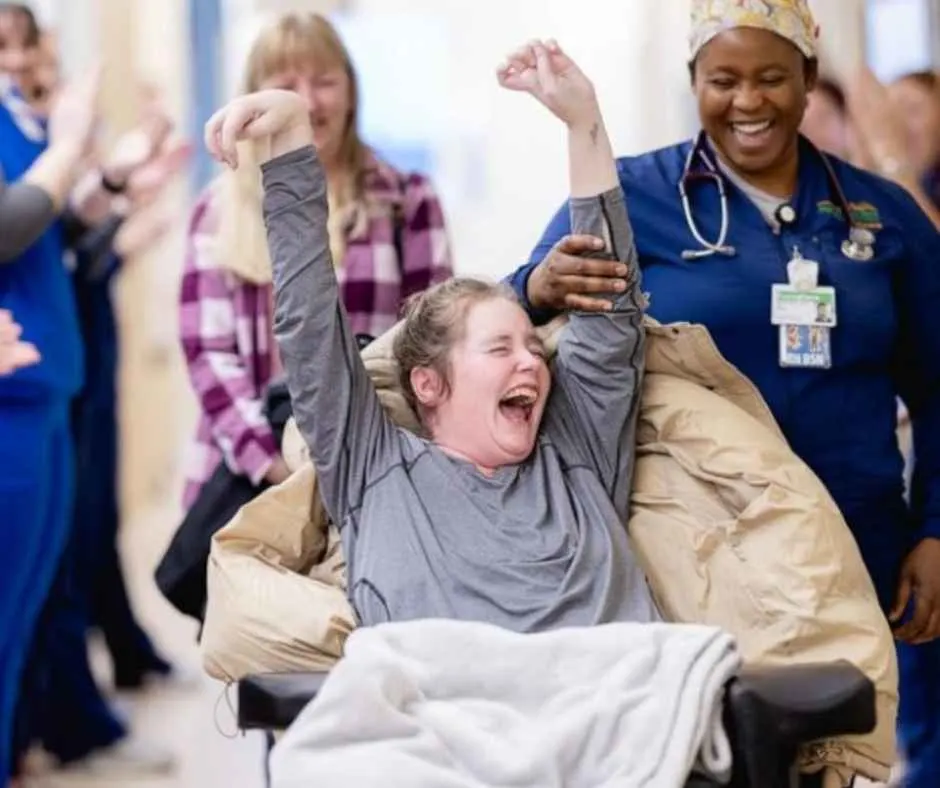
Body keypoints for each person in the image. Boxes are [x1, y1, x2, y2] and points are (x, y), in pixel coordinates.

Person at [505, 1, 940, 785]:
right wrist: (535, 286)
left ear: (810, 80)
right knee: (694, 758)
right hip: (692, 555)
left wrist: (936, 530)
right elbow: (510, 318)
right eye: (723, 80)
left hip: (855, 548)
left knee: (832, 763)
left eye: (773, 78)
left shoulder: (887, 218)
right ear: (694, 82)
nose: (748, 102)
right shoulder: (635, 198)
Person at [203, 38, 659, 631]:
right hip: (449, 709)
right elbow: (310, 327)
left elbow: (609, 308)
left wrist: (584, 124)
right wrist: (290, 142)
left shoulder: (579, 453)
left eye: (531, 346)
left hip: (614, 699)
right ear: (428, 383)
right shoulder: (374, 469)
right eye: (500, 348)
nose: (532, 362)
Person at [180, 11, 452, 515]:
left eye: (325, 81)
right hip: (248, 477)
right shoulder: (216, 211)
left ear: (351, 89)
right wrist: (274, 466)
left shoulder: (406, 201)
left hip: (373, 471)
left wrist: (353, 458)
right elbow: (208, 355)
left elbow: (432, 338)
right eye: (286, 84)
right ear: (253, 96)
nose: (307, 101)